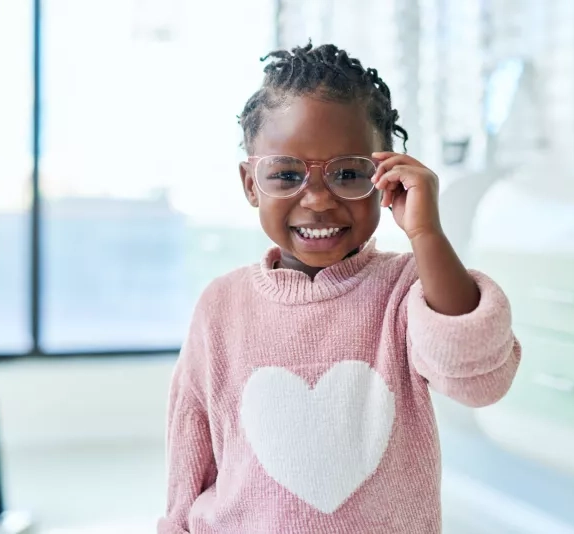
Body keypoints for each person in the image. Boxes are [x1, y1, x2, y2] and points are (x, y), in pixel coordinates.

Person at [158, 42, 521, 533]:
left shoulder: (407, 289)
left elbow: (479, 379)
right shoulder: (221, 305)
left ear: (385, 178)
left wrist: (426, 233)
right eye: (285, 175)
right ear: (250, 185)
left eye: (349, 174)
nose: (318, 200)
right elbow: (190, 444)